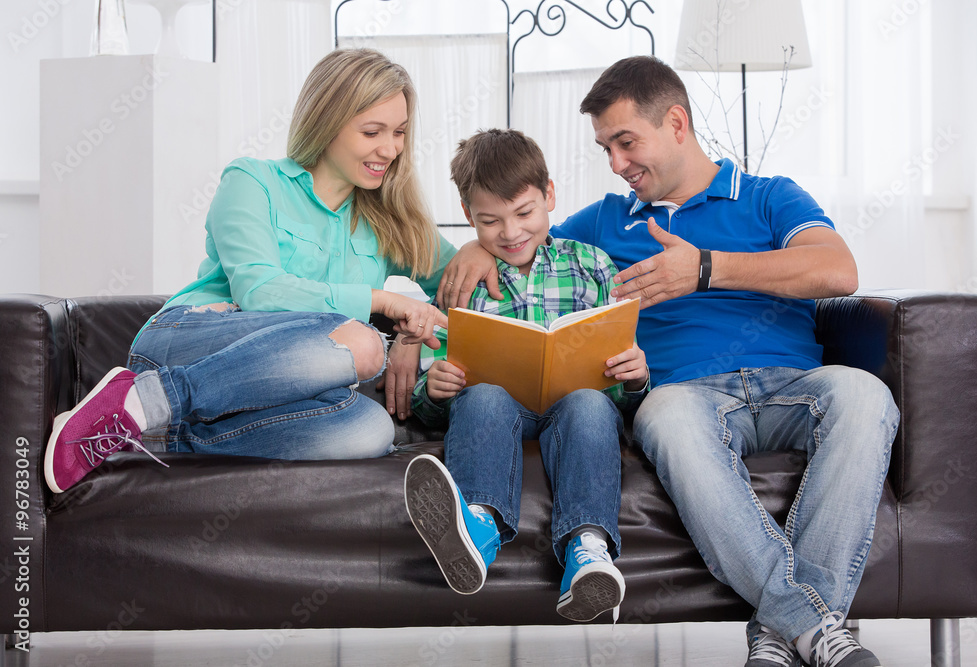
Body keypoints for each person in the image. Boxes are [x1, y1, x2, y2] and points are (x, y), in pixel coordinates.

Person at [437, 57, 898, 667]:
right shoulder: (605, 220)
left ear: (676, 123)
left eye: (627, 143)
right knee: (667, 418)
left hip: (794, 383)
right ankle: (812, 628)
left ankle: (780, 631)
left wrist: (706, 268)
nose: (617, 165)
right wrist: (473, 242)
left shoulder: (767, 197)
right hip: (682, 395)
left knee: (867, 397)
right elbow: (525, 237)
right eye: (606, 149)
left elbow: (838, 270)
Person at [44, 48, 456, 494]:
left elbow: (466, 275)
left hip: (268, 389)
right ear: (326, 121)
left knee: (370, 429)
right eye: (372, 131)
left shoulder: (388, 221)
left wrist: (413, 338)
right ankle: (145, 396)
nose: (390, 149)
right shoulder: (252, 181)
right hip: (190, 342)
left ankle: (151, 429)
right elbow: (261, 292)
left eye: (399, 133)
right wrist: (380, 302)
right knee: (360, 342)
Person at [403, 128, 648, 622]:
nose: (511, 233)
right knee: (484, 396)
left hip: (576, 405)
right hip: (495, 408)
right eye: (490, 221)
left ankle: (589, 554)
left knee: (589, 404)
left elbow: (621, 386)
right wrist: (434, 388)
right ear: (469, 216)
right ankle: (476, 532)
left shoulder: (592, 266)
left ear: (550, 196)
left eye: (525, 213)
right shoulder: (463, 282)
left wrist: (636, 377)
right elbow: (430, 388)